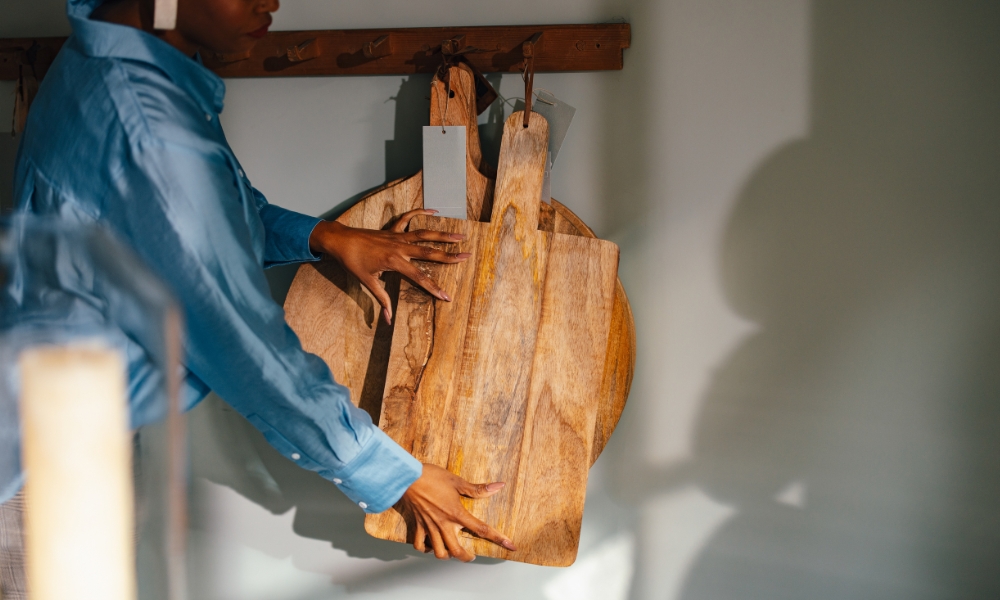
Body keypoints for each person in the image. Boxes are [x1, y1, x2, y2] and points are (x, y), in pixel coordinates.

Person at [0, 0, 516, 595]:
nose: (271, 1)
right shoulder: (147, 126)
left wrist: (326, 237)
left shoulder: (115, 61)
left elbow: (203, 217)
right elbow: (246, 351)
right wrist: (399, 476)